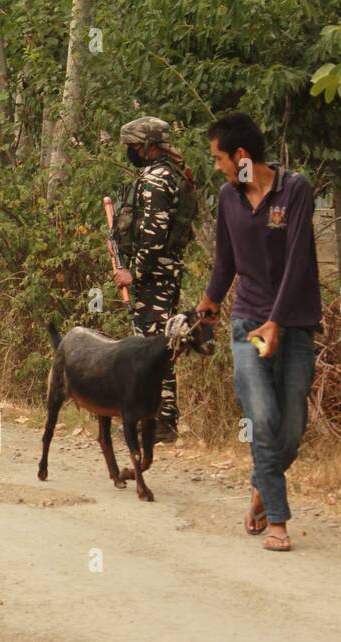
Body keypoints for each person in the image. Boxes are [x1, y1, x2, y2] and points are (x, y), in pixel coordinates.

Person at [196, 112, 321, 553]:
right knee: (263, 418)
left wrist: (280, 321)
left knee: (292, 427)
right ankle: (279, 521)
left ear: (241, 156)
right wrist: (210, 301)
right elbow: (225, 263)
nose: (217, 166)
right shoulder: (227, 199)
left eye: (218, 158)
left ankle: (261, 487)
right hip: (248, 323)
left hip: (296, 324)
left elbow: (297, 261)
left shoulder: (296, 190)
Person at [113, 116, 198, 443]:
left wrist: (134, 271)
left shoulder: (155, 180)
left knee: (152, 347)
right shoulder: (171, 174)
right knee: (157, 342)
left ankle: (160, 421)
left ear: (148, 147)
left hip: (155, 275)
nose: (130, 152)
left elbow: (153, 232)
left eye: (133, 147)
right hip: (166, 271)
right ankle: (157, 418)